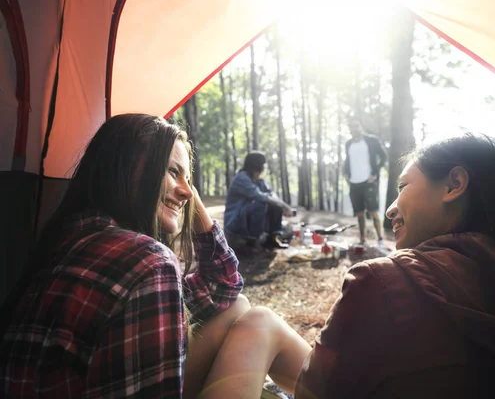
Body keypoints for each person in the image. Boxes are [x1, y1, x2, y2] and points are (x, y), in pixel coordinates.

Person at [0, 114, 311, 398]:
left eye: (189, 181)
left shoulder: (69, 235)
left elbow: (224, 285)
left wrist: (182, 186)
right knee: (261, 322)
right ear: (121, 167)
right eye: (172, 171)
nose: (188, 193)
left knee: (238, 305)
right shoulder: (146, 262)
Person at [296, 134, 495, 398]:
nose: (390, 209)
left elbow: (314, 390)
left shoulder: (379, 280)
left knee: (256, 322)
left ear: (454, 185)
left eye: (403, 186)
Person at [224, 151, 294, 249]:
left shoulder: (259, 181)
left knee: (275, 204)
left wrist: (281, 205)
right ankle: (253, 240)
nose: (264, 168)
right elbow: (259, 196)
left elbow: (271, 194)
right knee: (262, 204)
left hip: (244, 219)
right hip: (235, 222)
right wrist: (285, 206)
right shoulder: (241, 178)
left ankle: (273, 238)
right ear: (257, 165)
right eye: (263, 165)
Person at [343, 117, 387, 247]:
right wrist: (346, 175)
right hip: (354, 183)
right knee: (359, 214)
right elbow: (348, 161)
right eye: (351, 126)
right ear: (349, 129)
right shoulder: (348, 144)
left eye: (356, 125)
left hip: (368, 182)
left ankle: (380, 239)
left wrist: (375, 173)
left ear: (360, 126)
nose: (354, 128)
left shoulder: (371, 141)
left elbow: (383, 157)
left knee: (373, 211)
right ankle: (362, 239)